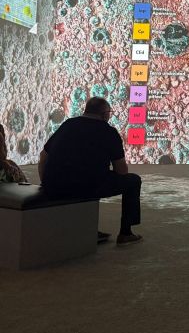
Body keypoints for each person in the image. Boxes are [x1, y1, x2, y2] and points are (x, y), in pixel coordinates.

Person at [38, 97, 143, 245]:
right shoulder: (109, 132)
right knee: (133, 181)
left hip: (55, 186)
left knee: (88, 177)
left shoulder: (68, 124)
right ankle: (126, 233)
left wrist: (45, 184)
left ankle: (86, 229)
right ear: (105, 114)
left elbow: (43, 157)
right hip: (87, 186)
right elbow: (121, 171)